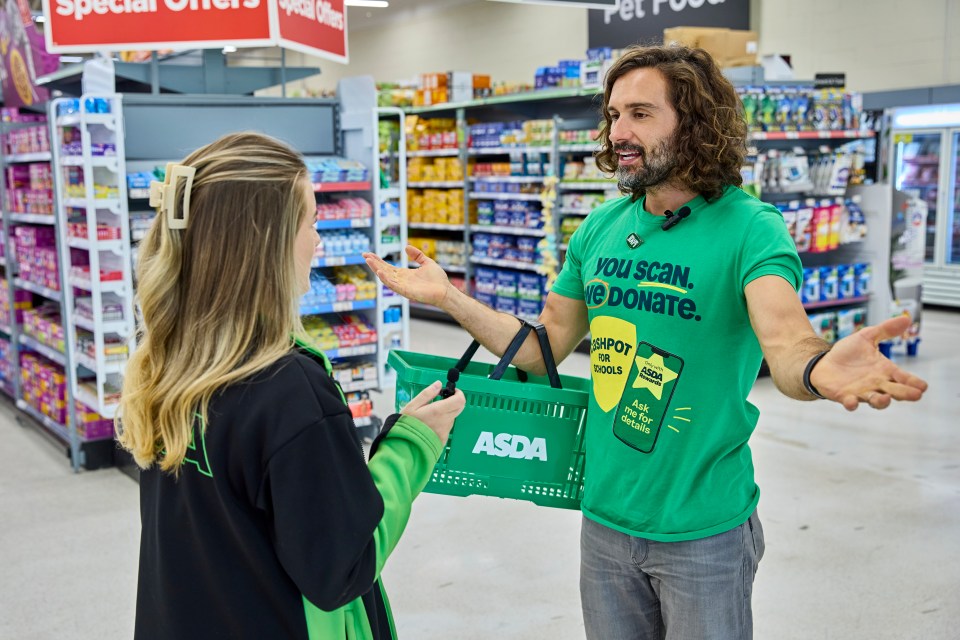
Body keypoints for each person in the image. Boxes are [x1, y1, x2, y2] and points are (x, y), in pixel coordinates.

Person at [364, 45, 928, 639]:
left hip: (703, 529)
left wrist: (817, 369)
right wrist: (450, 297)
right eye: (612, 115)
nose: (619, 132)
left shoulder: (750, 229)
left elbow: (785, 342)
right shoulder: (601, 228)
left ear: (695, 123)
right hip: (604, 517)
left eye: (640, 113)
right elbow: (544, 346)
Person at [117, 132, 465, 640]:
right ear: (267, 241)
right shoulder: (289, 392)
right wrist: (413, 444)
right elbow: (343, 568)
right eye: (310, 222)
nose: (318, 240)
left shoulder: (167, 365)